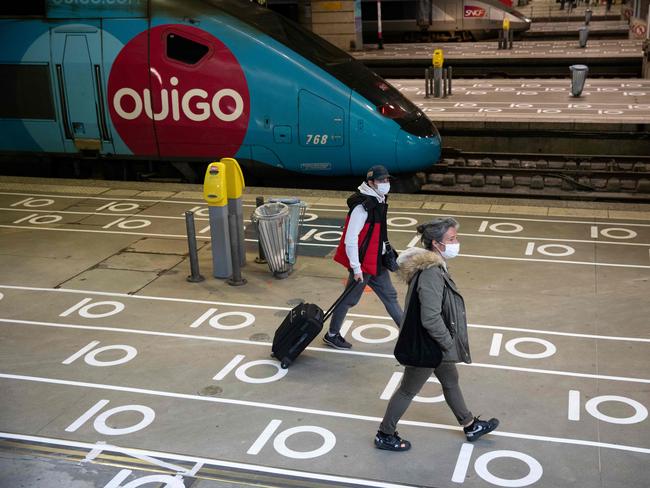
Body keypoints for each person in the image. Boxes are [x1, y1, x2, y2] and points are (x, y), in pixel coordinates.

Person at [374, 217, 499, 450]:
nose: (456, 242)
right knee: (408, 389)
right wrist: (447, 342)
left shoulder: (433, 266)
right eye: (451, 239)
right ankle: (385, 434)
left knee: (450, 380)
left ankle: (470, 424)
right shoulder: (431, 273)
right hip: (428, 345)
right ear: (436, 244)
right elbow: (430, 317)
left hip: (436, 344)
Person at [326, 165, 403, 349]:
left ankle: (409, 334)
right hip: (363, 264)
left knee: (390, 296)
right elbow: (350, 240)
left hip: (376, 261)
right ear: (370, 183)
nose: (386, 184)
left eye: (387, 180)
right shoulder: (362, 207)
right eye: (381, 181)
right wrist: (356, 268)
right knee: (349, 300)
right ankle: (332, 334)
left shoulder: (378, 200)